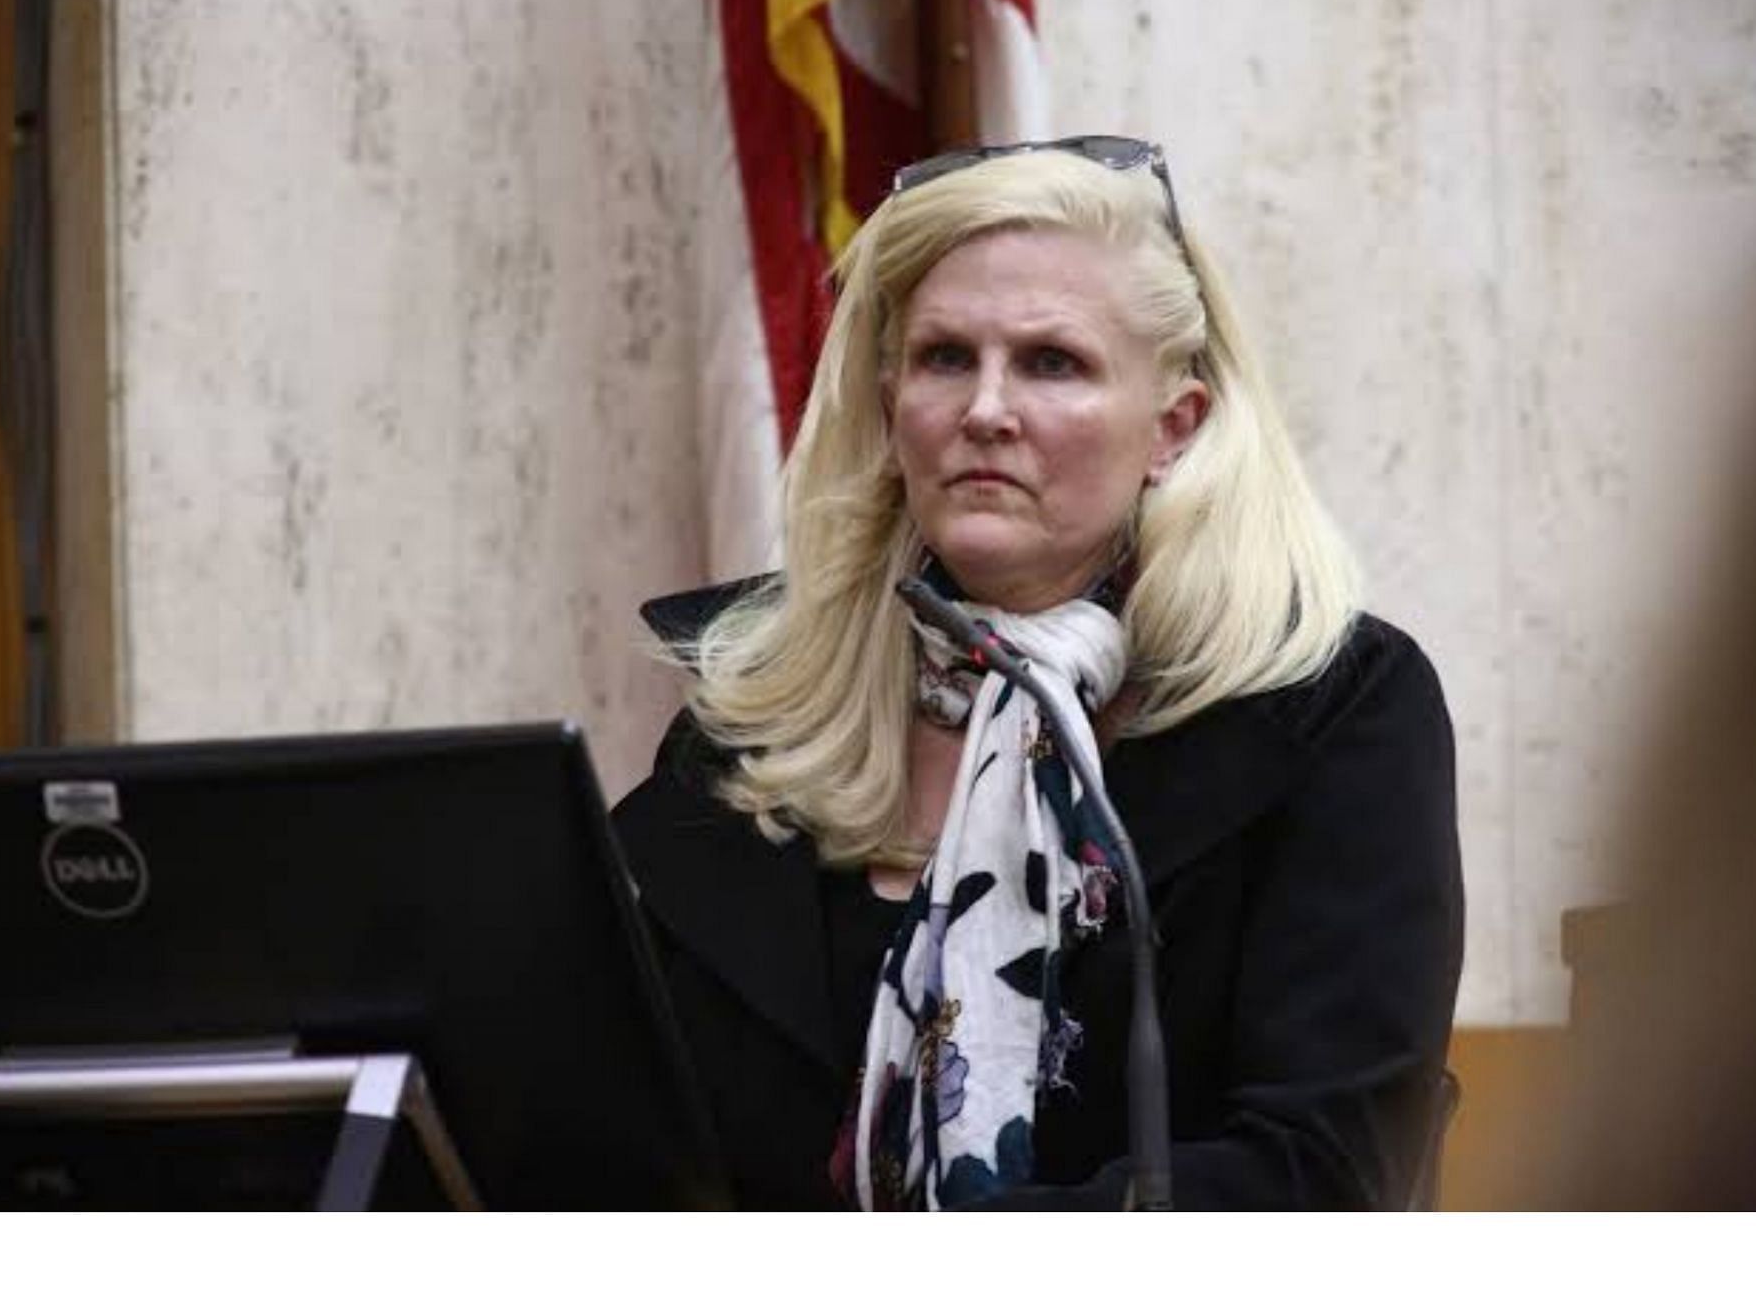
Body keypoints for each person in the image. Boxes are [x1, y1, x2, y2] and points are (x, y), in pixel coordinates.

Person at [613, 136, 1464, 1210]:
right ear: (891, 407)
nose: (985, 409)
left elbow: (1324, 1177)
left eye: (1052, 363)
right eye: (943, 358)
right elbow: (612, 1136)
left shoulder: (1327, 710)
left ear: (1174, 428)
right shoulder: (754, 714)